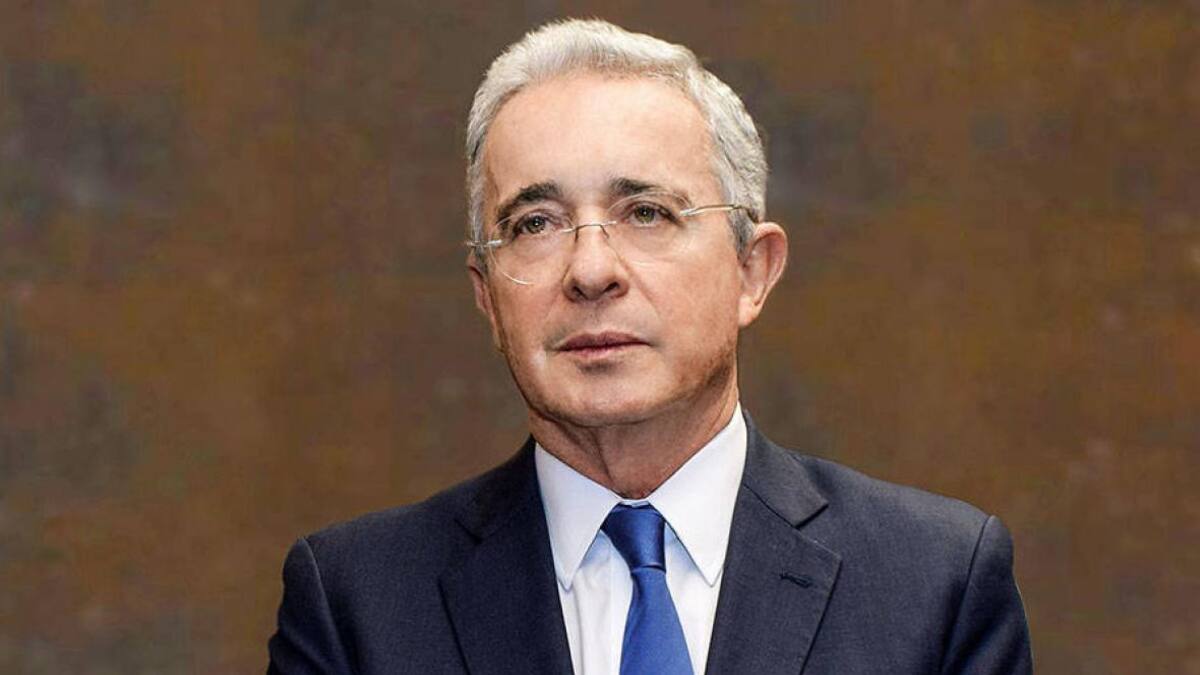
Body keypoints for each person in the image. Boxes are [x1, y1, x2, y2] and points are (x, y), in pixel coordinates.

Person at [267, 19, 1032, 675]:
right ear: (487, 295)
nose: (591, 270)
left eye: (646, 213)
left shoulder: (934, 582)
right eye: (535, 223)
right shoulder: (356, 605)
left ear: (751, 270)